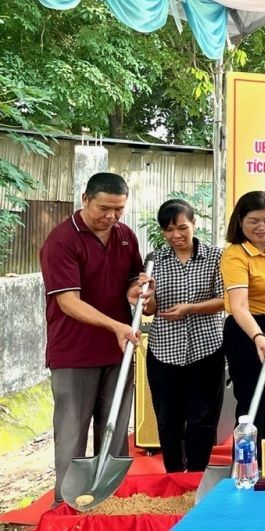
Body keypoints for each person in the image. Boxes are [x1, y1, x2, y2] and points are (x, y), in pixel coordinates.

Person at [40, 172, 144, 503]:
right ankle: (65, 505)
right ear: (85, 200)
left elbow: (133, 281)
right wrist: (115, 326)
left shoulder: (126, 236)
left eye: (119, 209)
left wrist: (137, 290)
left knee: (114, 434)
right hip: (74, 354)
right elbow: (68, 301)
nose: (111, 217)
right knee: (71, 434)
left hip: (118, 353)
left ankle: (109, 501)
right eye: (104, 208)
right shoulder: (61, 241)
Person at [142, 199, 225, 472]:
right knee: (168, 420)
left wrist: (190, 309)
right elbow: (150, 309)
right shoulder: (155, 260)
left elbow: (227, 299)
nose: (175, 235)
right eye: (168, 230)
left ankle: (197, 476)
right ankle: (174, 475)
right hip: (164, 351)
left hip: (206, 348)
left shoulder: (216, 256)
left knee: (202, 419)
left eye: (181, 227)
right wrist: (150, 295)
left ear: (194, 224)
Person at [221, 191, 265, 446]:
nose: (261, 227)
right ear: (240, 220)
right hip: (246, 331)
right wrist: (258, 336)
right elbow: (239, 307)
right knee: (252, 397)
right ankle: (244, 462)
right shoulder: (235, 255)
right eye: (253, 221)